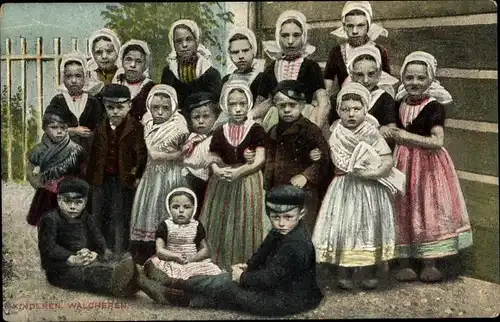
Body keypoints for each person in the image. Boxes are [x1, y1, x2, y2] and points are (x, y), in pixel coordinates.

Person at [384, 51, 472, 283]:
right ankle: (405, 262)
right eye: (409, 78)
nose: (414, 83)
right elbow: (390, 130)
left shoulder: (434, 107)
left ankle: (429, 263)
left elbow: (437, 141)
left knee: (427, 207)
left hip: (429, 166)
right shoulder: (397, 104)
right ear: (402, 78)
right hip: (402, 162)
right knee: (403, 206)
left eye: (421, 78)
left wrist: (405, 136)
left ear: (430, 80)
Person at [181, 185, 323, 316]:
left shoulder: (296, 244)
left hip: (286, 301)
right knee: (224, 281)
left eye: (288, 217)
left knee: (228, 287)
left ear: (301, 213)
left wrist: (242, 277)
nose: (281, 223)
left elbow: (271, 278)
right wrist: (249, 266)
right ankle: (182, 287)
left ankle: (179, 289)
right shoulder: (282, 230)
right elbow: (262, 253)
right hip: (277, 292)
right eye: (275, 217)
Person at [312, 82, 398, 290]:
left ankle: (367, 270)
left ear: (365, 110)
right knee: (344, 228)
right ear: (339, 110)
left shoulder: (370, 132)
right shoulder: (336, 132)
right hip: (343, 187)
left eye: (356, 109)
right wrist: (318, 155)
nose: (351, 114)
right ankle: (344, 271)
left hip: (368, 188)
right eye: (345, 109)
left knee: (366, 229)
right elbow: (329, 156)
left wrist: (375, 172)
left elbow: (387, 159)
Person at [198, 80, 270, 272]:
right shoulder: (221, 130)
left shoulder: (256, 129)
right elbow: (213, 155)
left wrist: (239, 171)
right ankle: (220, 265)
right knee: (223, 222)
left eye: (242, 104)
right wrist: (217, 170)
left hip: (247, 182)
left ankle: (247, 264)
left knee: (245, 222)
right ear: (225, 105)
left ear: (249, 104)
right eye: (232, 104)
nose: (238, 109)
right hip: (223, 183)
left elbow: (259, 160)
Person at [38, 177, 139, 297]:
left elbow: (99, 241)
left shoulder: (86, 218)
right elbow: (48, 247)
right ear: (59, 200)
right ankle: (125, 285)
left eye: (78, 202)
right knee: (94, 273)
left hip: (86, 261)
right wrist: (71, 257)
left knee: (112, 263)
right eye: (67, 201)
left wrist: (94, 253)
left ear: (85, 202)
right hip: (61, 269)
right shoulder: (50, 219)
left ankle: (137, 282)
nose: (72, 207)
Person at [129, 84, 190, 265]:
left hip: (170, 175)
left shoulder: (179, 126)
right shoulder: (147, 124)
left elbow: (185, 153)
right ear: (149, 106)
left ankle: (167, 251)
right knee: (147, 208)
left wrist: (170, 155)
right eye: (156, 108)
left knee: (164, 207)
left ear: (173, 106)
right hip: (150, 174)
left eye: (166, 108)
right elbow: (147, 152)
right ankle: (145, 251)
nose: (160, 112)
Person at [87, 84, 148, 256]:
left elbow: (141, 155)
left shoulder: (136, 128)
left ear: (129, 106)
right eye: (110, 107)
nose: (115, 112)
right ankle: (101, 250)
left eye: (120, 107)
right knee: (99, 214)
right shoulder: (100, 128)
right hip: (101, 179)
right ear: (104, 107)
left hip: (124, 180)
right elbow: (93, 155)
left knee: (120, 216)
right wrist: (91, 180)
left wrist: (137, 176)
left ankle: (121, 252)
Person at [135, 187, 223, 305]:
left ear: (194, 208)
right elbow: (160, 250)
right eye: (176, 207)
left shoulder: (196, 225)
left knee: (208, 274)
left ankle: (191, 294)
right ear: (169, 208)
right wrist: (175, 256)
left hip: (191, 260)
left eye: (186, 207)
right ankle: (168, 289)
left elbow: (205, 250)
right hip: (171, 259)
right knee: (163, 272)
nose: (181, 211)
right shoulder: (165, 225)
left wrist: (193, 258)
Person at [264, 80, 331, 233]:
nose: (287, 110)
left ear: (301, 106)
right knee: (281, 229)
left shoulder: (310, 130)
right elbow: (269, 158)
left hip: (303, 192)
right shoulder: (274, 131)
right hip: (279, 189)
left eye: (292, 105)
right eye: (282, 106)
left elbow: (323, 158)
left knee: (303, 229)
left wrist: (306, 176)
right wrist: (268, 184)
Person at [252, 10, 329, 131]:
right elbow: (261, 103)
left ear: (303, 36)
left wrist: (315, 128)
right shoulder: (271, 68)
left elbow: (323, 101)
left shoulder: (311, 66)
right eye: (285, 35)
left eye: (296, 35)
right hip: (276, 120)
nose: (290, 41)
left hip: (305, 117)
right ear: (278, 36)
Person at [325, 1, 391, 123]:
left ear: (368, 26)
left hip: (373, 106)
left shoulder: (379, 51)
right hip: (346, 106)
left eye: (360, 25)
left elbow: (386, 84)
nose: (355, 31)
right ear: (344, 26)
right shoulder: (336, 52)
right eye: (350, 26)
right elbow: (327, 87)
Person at [26, 105, 86, 226]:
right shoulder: (39, 150)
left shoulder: (76, 150)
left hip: (68, 197)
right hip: (46, 195)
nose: (59, 131)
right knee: (45, 225)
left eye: (63, 128)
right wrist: (38, 184)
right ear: (45, 128)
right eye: (53, 127)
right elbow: (30, 170)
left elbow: (83, 172)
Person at [47, 51, 106, 154]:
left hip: (90, 154)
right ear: (63, 78)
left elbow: (101, 128)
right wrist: (73, 131)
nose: (73, 81)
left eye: (78, 76)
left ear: (84, 77)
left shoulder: (93, 101)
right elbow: (49, 127)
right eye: (69, 76)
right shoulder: (58, 101)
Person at [161, 19, 222, 117]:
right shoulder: (169, 72)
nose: (184, 45)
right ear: (174, 45)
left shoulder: (211, 73)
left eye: (188, 39)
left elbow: (214, 105)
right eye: (179, 41)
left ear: (196, 41)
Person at [181, 92, 224, 218]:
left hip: (206, 183)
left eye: (206, 117)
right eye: (196, 117)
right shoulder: (192, 138)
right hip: (190, 180)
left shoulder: (215, 139)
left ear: (215, 117)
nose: (201, 121)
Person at [112, 40, 155, 123]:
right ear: (122, 61)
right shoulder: (115, 84)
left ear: (145, 65)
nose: (132, 65)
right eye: (128, 59)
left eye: (138, 61)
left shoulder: (150, 88)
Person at [221, 27, 265, 100]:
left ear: (253, 51)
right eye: (235, 52)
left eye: (245, 50)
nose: (241, 56)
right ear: (230, 55)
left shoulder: (262, 78)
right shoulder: (226, 80)